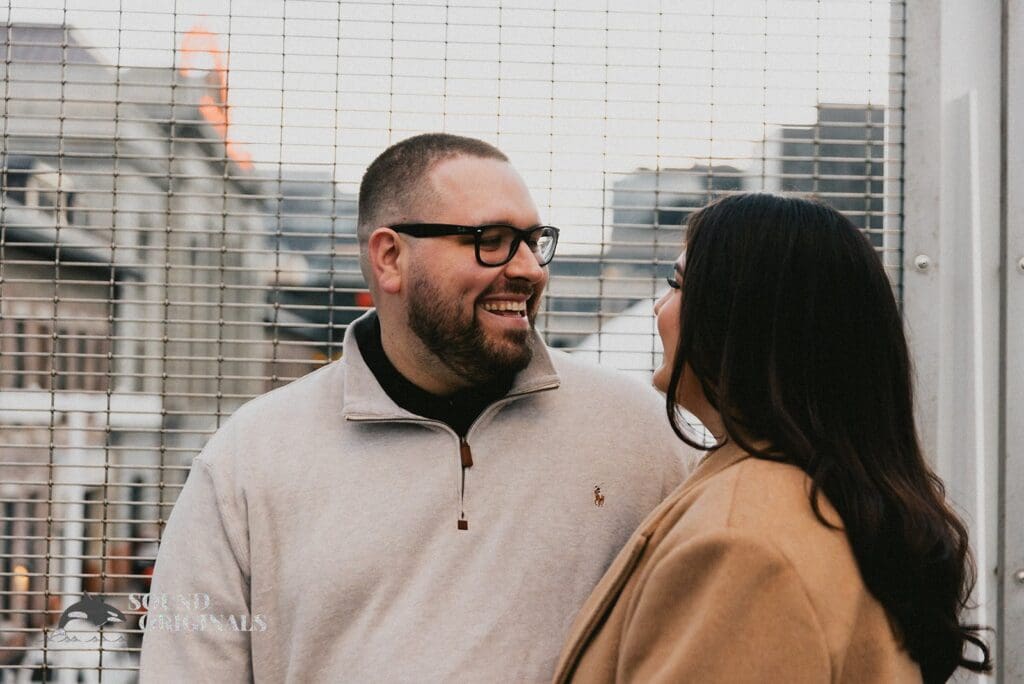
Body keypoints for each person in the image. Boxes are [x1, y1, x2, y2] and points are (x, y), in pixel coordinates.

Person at [139, 133, 695, 682]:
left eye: (533, 240)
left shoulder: (646, 435)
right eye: (492, 239)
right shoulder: (246, 462)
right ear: (389, 258)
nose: (529, 269)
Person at [553, 193, 993, 683]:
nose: (659, 306)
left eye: (676, 285)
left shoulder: (742, 545)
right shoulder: (829, 498)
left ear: (741, 320)